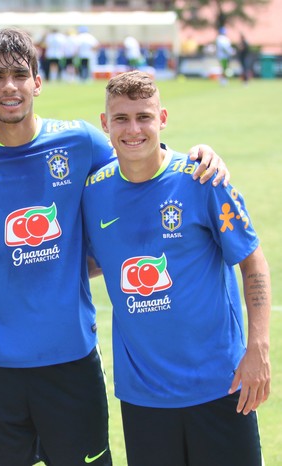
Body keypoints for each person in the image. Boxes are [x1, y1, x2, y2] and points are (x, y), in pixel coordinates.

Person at [0, 28, 229, 466]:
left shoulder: (81, 142)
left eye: (19, 74)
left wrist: (196, 157)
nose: (9, 86)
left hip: (71, 359)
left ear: (38, 81)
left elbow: (142, 170)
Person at [82, 70, 271, 466]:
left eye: (144, 117)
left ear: (162, 119)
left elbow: (252, 260)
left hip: (221, 384)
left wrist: (258, 348)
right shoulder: (93, 192)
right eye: (121, 119)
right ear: (105, 124)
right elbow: (94, 260)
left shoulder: (203, 178)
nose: (133, 129)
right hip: (144, 395)